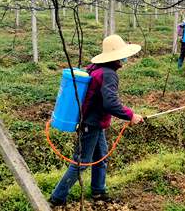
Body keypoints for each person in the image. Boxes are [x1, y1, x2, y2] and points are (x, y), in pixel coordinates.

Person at [49, 34, 144, 206]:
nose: (125, 58)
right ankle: (57, 198)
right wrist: (130, 115)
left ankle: (98, 192)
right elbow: (111, 103)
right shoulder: (108, 74)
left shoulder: (96, 68)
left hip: (95, 123)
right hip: (90, 124)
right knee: (82, 162)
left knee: (101, 157)